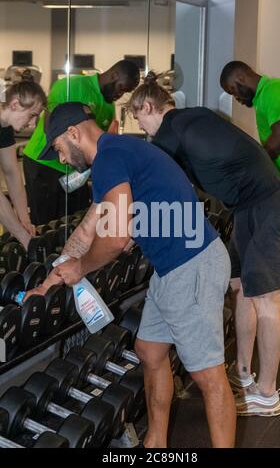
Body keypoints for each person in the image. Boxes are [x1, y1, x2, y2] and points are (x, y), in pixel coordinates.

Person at [26, 101, 236, 448]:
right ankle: (155, 443)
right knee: (149, 349)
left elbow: (115, 238)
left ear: (74, 133)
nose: (61, 159)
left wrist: (81, 268)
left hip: (192, 265)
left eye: (59, 149)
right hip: (171, 270)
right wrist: (46, 284)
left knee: (207, 375)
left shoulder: (111, 157)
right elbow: (86, 233)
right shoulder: (116, 156)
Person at [126, 73, 280, 418]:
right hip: (248, 206)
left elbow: (147, 178)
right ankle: (245, 374)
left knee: (266, 296)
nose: (141, 126)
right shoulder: (193, 118)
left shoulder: (173, 127)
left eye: (138, 117)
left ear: (147, 106)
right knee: (241, 286)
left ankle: (267, 392)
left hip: (265, 201)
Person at [220, 61, 280, 329]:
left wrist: (256, 164)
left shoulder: (274, 90)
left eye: (233, 90)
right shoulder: (269, 94)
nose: (237, 98)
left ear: (241, 77)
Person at [23, 60, 140, 225]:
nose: (119, 95)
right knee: (44, 224)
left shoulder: (108, 106)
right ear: (114, 75)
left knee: (72, 222)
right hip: (43, 162)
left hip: (73, 171)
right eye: (121, 88)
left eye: (124, 93)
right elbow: (51, 125)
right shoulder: (71, 85)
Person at [0, 72, 46, 248]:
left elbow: (12, 173)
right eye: (32, 115)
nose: (33, 124)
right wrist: (23, 237)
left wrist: (25, 221)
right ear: (14, 104)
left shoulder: (4, 128)